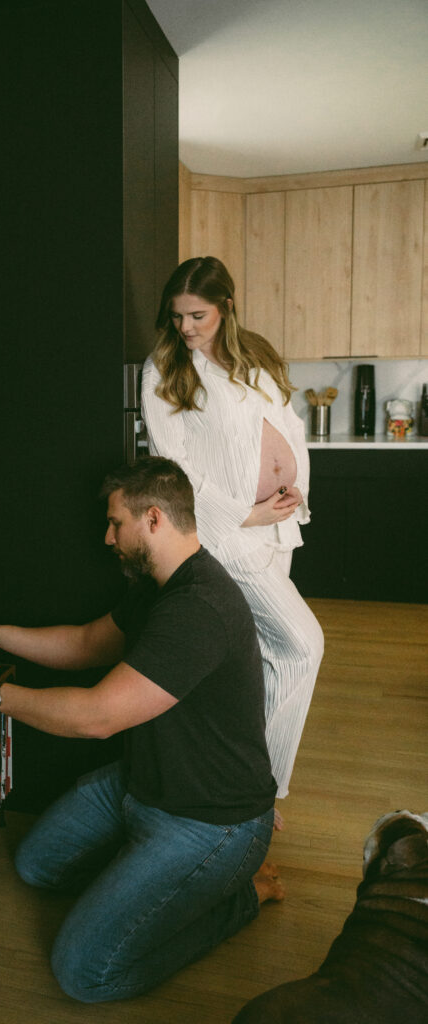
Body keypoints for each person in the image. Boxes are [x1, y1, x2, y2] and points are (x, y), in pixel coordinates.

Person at [0, 456, 282, 1004]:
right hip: (142, 785)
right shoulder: (160, 586)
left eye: (116, 522)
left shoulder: (199, 606)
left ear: (155, 519)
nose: (108, 536)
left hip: (210, 822)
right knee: (36, 865)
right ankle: (151, 881)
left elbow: (98, 717)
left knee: (85, 973)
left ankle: (239, 898)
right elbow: (87, 644)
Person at [140, 256, 324, 805]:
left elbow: (291, 428)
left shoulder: (257, 356)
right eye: (177, 317)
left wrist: (295, 494)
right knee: (301, 648)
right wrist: (245, 514)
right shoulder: (166, 371)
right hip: (232, 539)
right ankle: (262, 792)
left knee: (265, 661)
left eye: (197, 315)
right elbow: (174, 466)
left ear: (226, 308)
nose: (186, 328)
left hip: (277, 530)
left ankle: (240, 787)